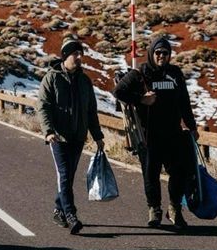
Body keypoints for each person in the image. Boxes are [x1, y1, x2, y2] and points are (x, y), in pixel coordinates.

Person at [113, 36, 198, 230]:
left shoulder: (175, 74)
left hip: (173, 133)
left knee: (179, 172)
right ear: (152, 53)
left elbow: (184, 102)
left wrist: (192, 127)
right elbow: (118, 92)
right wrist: (141, 99)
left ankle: (175, 209)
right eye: (158, 53)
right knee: (151, 174)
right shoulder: (141, 73)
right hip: (148, 135)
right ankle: (154, 209)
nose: (161, 56)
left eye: (165, 53)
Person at [37, 35, 105, 235]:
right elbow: (43, 107)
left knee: (67, 177)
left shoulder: (84, 81)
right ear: (65, 56)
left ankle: (58, 209)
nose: (78, 57)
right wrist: (48, 131)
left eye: (80, 54)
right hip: (58, 138)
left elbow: (91, 110)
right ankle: (70, 214)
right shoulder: (52, 78)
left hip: (78, 137)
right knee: (65, 175)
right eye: (75, 53)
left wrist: (97, 136)